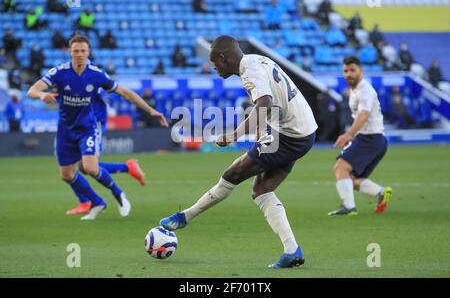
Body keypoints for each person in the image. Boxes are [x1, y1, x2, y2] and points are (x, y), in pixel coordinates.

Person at [160, 35, 318, 268]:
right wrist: (248, 134)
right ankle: (292, 250)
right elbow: (266, 102)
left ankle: (186, 216)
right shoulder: (256, 60)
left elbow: (263, 102)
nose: (216, 70)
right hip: (301, 130)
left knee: (233, 173)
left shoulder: (249, 73)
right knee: (262, 189)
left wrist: (247, 135)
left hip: (289, 135)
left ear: (224, 58)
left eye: (215, 65)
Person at [27, 34, 168, 220]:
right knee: (67, 175)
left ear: (89, 52)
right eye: (75, 51)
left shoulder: (96, 74)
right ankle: (97, 202)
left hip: (88, 127)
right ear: (69, 52)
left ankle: (118, 193)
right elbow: (32, 90)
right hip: (65, 131)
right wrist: (41, 95)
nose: (79, 55)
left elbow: (124, 92)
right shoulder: (59, 73)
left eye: (83, 51)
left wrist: (151, 111)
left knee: (90, 167)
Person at [67, 87, 148, 215]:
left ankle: (90, 200)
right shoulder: (76, 74)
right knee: (81, 165)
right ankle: (127, 167)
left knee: (86, 165)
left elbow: (114, 92)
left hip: (93, 123)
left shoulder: (92, 76)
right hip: (80, 122)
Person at [329, 56, 392, 216]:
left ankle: (349, 208)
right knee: (349, 179)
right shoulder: (355, 90)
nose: (349, 74)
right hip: (370, 139)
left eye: (352, 70)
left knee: (340, 167)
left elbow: (363, 114)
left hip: (370, 138)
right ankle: (380, 192)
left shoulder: (365, 91)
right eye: (345, 71)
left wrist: (349, 134)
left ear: (361, 71)